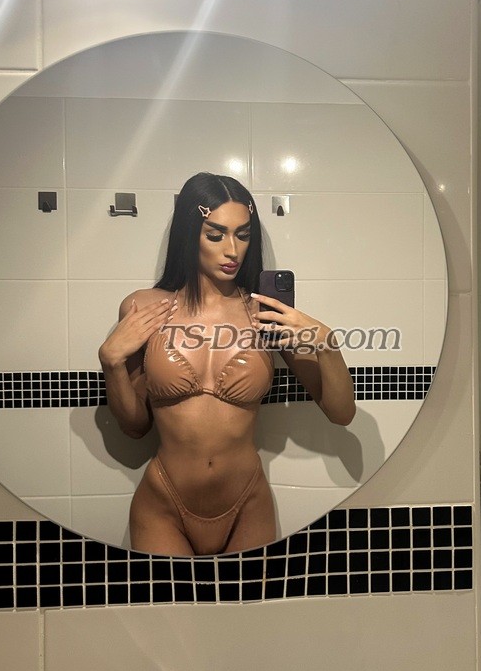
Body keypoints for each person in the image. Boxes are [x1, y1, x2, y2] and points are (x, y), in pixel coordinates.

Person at [98, 172, 356, 556]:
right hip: (164, 503)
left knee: (255, 600)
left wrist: (327, 344)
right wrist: (111, 363)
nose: (233, 250)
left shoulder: (267, 314)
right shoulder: (145, 308)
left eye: (243, 234)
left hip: (246, 505)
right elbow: (135, 427)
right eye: (216, 235)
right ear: (190, 234)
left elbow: (341, 413)